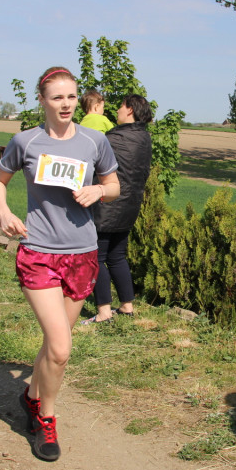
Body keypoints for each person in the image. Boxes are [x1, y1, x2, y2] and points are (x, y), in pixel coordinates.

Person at [0, 66, 120, 462]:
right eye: (57, 97)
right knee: (61, 348)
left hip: (82, 255)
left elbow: (115, 187)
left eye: (71, 96)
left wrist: (99, 189)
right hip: (39, 253)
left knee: (53, 342)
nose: (66, 104)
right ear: (43, 101)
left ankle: (31, 396)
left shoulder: (95, 141)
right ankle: (46, 420)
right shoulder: (25, 142)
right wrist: (3, 213)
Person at [83, 93, 153, 324]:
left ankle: (103, 311)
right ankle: (126, 305)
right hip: (130, 205)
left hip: (107, 204)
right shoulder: (144, 138)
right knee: (117, 256)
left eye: (122, 106)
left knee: (97, 257)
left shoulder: (113, 137)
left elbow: (94, 161)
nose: (117, 110)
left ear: (130, 110)